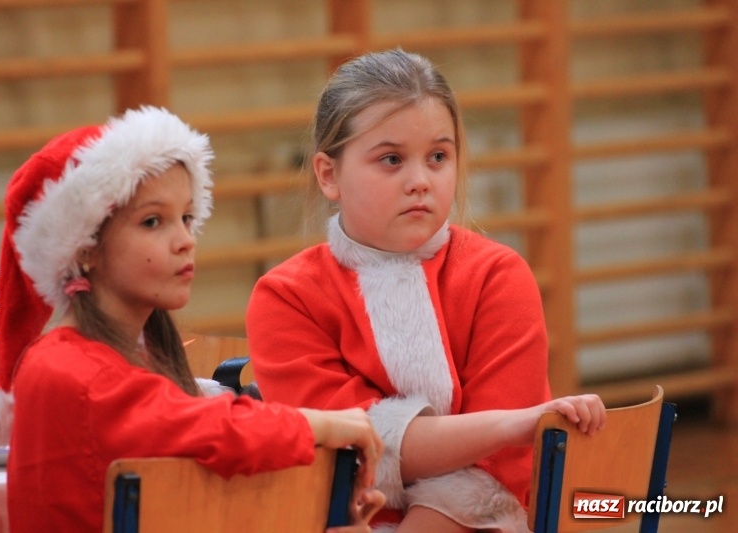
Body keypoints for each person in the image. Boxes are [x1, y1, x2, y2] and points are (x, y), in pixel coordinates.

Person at [0, 106, 384, 532]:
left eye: (185, 217)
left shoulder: (126, 357)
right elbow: (216, 429)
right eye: (152, 221)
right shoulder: (67, 370)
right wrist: (326, 423)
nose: (185, 240)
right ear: (83, 248)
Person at [245, 49, 606, 533]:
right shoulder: (285, 297)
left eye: (438, 156)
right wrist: (503, 425)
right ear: (329, 175)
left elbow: (498, 470)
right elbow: (345, 456)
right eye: (391, 160)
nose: (420, 181)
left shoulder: (498, 276)